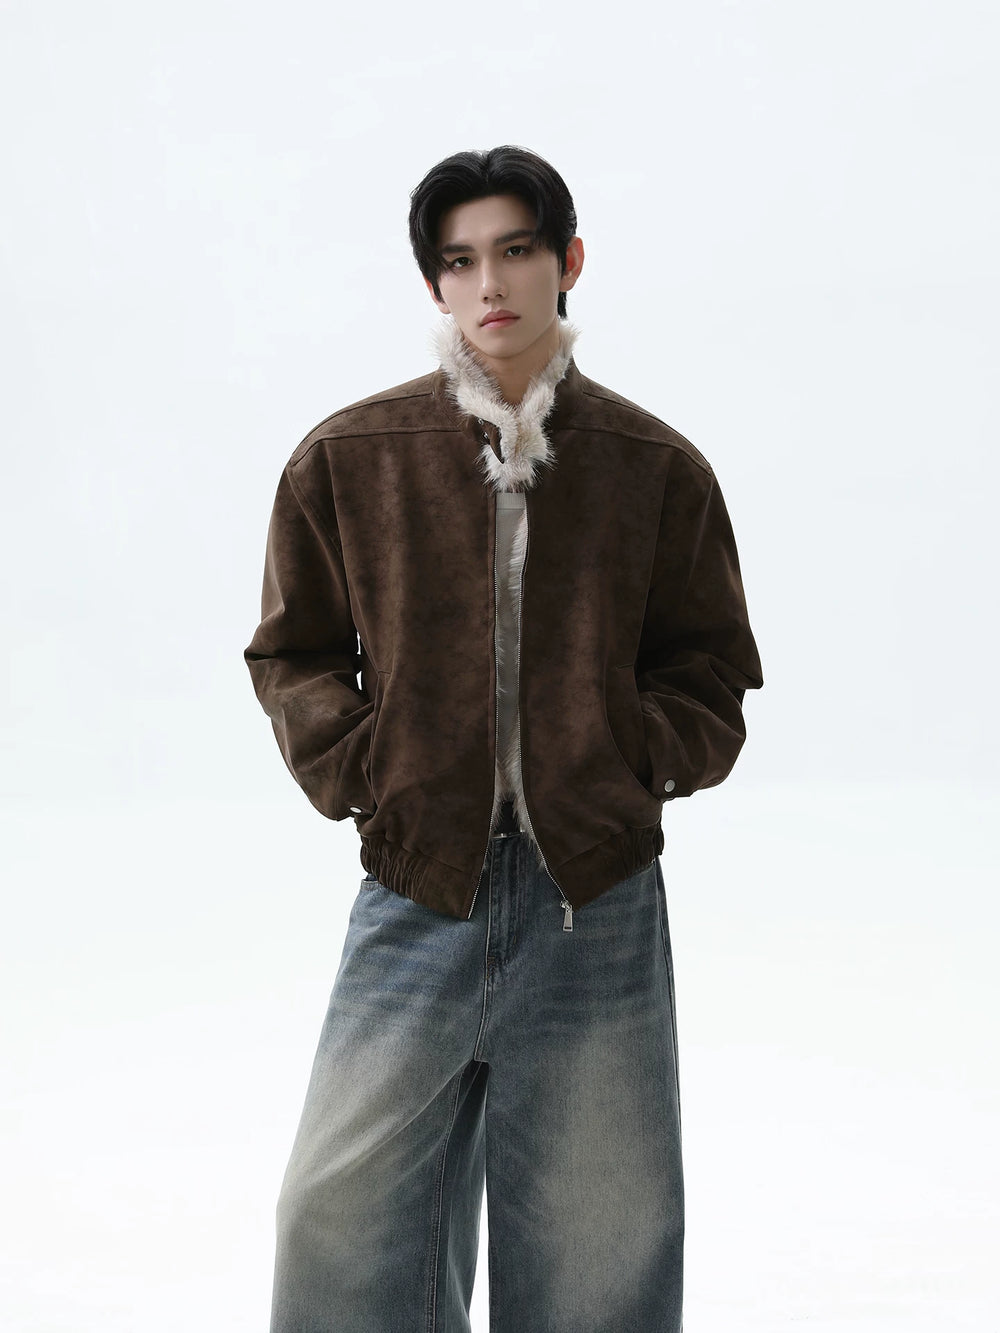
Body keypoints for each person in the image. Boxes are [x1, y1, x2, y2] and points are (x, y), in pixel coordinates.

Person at [244, 144, 763, 1333]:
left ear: (567, 261)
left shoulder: (653, 467)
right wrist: (373, 771)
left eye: (517, 250)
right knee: (336, 1220)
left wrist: (628, 760)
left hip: (595, 896)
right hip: (418, 883)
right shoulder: (351, 458)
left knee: (598, 1242)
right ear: (434, 282)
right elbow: (293, 653)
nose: (491, 283)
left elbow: (711, 668)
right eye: (461, 259)